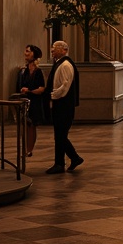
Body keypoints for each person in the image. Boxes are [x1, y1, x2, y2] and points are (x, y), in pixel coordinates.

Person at [44, 40, 83, 174]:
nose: (52, 50)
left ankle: (69, 159)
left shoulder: (66, 65)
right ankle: (63, 161)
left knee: (60, 135)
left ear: (64, 50)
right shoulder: (60, 63)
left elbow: (65, 85)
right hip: (60, 103)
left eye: (55, 48)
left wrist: (54, 95)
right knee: (59, 135)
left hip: (64, 104)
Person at [16, 43, 46, 156]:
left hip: (35, 102)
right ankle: (24, 149)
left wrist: (30, 91)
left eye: (28, 51)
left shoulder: (38, 71)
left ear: (34, 54)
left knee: (32, 126)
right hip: (24, 101)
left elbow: (41, 88)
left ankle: (29, 149)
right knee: (25, 126)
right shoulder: (24, 71)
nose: (25, 53)